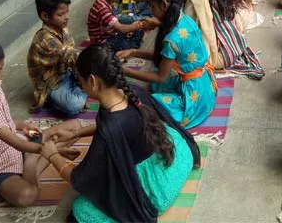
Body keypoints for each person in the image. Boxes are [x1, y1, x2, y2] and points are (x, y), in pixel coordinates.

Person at [40, 44, 201, 223]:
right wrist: (77, 132)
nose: (81, 86)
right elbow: (123, 128)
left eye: (81, 80)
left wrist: (52, 155)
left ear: (92, 81)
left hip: (157, 190)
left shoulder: (111, 129)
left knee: (80, 209)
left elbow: (82, 179)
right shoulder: (132, 92)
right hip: (176, 157)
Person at [0, 35, 78, 207]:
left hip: (22, 146)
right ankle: (36, 160)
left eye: (0, 69)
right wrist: (43, 150)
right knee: (27, 196)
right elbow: (13, 141)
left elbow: (2, 120)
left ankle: (38, 158)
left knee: (74, 127)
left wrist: (20, 124)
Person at [120, 0, 217, 128]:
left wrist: (125, 71)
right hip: (205, 87)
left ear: (163, 5)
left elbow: (160, 77)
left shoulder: (171, 40)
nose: (151, 10)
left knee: (147, 103)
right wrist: (133, 52)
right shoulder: (186, 19)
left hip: (193, 98)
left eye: (152, 6)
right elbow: (163, 57)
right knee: (158, 79)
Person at [27, 0, 88, 115]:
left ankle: (80, 89)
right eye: (61, 14)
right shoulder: (44, 39)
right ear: (45, 16)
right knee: (74, 105)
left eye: (67, 12)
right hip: (52, 83)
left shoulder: (63, 29)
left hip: (67, 72)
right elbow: (71, 55)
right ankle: (76, 93)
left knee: (91, 76)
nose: (67, 17)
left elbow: (73, 59)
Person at [87, 0, 158, 51]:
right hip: (103, 43)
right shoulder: (101, 8)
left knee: (136, 28)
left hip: (113, 31)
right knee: (135, 30)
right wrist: (140, 25)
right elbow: (120, 28)